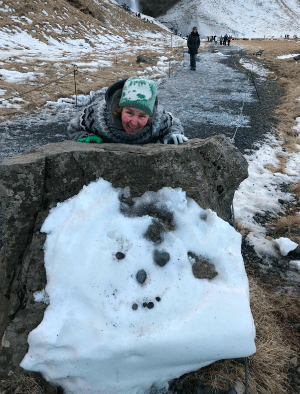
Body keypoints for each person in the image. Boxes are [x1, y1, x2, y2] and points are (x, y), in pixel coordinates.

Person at [68, 77, 188, 145]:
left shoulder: (159, 119)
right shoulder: (97, 115)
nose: (134, 123)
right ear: (120, 109)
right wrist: (84, 137)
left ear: (151, 116)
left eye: (142, 116)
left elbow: (174, 124)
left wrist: (173, 134)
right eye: (129, 113)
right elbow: (73, 128)